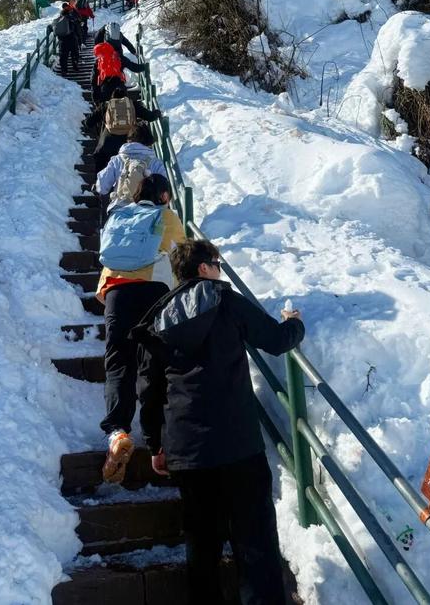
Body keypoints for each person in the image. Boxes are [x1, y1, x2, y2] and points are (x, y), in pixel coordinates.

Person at [133, 239, 305, 605]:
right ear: (203, 269)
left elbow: (149, 389)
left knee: (202, 545)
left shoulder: (159, 317)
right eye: (217, 264)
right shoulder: (223, 300)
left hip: (188, 451)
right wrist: (295, 326)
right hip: (238, 443)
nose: (220, 271)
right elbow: (274, 340)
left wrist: (156, 444)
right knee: (254, 541)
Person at [97, 175, 186, 483]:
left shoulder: (119, 214)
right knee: (154, 364)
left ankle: (117, 432)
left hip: (116, 290)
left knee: (119, 360)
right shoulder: (167, 216)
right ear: (163, 195)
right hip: (155, 290)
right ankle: (158, 444)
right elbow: (183, 255)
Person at [86, 83, 162, 173]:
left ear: (112, 97)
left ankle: (99, 184)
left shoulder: (106, 105)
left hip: (107, 144)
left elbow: (88, 122)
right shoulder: (132, 104)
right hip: (129, 143)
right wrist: (157, 112)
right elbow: (150, 117)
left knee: (99, 160)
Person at [96, 122, 167, 209]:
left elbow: (102, 188)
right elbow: (164, 191)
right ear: (149, 142)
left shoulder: (117, 160)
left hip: (121, 210)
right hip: (148, 212)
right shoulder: (156, 163)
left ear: (129, 140)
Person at [54, 2, 82, 75]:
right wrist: (79, 39)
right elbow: (77, 29)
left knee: (63, 55)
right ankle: (75, 66)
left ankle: (64, 70)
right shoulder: (72, 18)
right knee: (74, 53)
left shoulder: (59, 19)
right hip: (72, 38)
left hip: (62, 40)